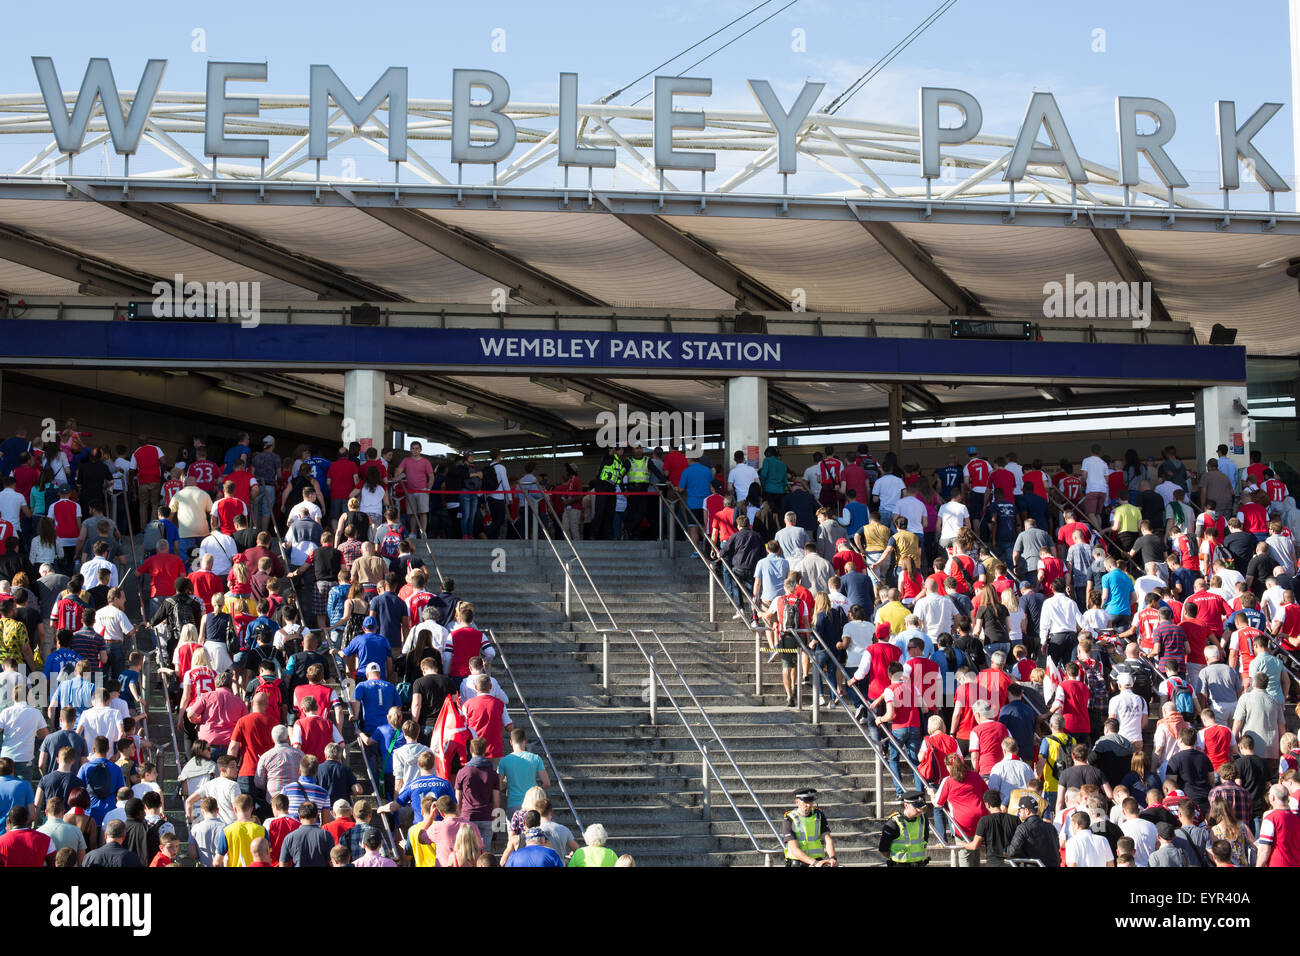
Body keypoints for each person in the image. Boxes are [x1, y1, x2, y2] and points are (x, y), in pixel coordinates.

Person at [781, 788, 836, 867]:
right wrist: (814, 863)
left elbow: (828, 839)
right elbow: (794, 849)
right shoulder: (789, 818)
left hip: (818, 861)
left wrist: (832, 858)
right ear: (797, 802)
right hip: (798, 863)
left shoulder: (819, 815)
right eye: (805, 802)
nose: (809, 805)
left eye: (811, 802)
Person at [878, 790, 930, 866]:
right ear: (906, 805)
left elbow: (925, 839)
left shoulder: (923, 819)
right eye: (916, 807)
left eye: (921, 807)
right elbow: (883, 849)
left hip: (919, 864)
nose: (920, 810)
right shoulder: (893, 823)